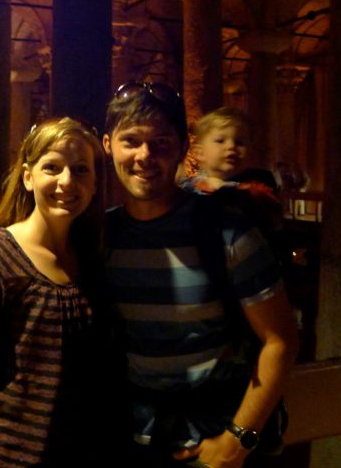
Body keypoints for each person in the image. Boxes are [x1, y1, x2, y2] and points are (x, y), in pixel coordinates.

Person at [101, 82, 299, 468]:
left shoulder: (226, 229)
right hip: (133, 438)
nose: (145, 156)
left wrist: (238, 440)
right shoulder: (102, 236)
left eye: (160, 142)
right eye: (131, 141)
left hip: (214, 441)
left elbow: (281, 339)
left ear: (181, 148)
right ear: (108, 146)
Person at [0, 117, 108, 468]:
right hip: (12, 459)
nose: (67, 181)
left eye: (81, 169)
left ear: (94, 182)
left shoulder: (92, 257)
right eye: (52, 167)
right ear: (28, 177)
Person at [182, 107, 284, 236]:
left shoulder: (258, 192)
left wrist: (225, 188)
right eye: (220, 141)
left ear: (250, 152)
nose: (231, 146)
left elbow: (274, 226)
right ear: (199, 152)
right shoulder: (186, 189)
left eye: (240, 142)